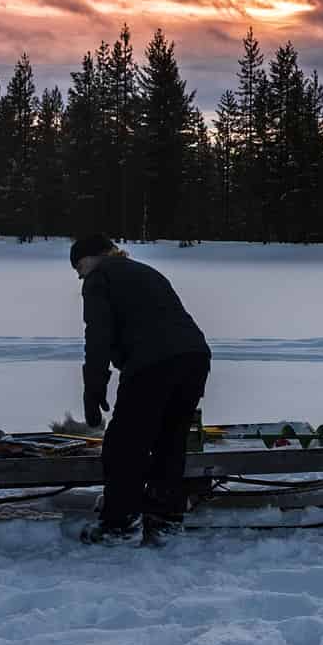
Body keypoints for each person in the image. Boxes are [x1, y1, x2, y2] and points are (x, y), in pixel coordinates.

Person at [72, 234, 212, 546]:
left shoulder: (99, 279)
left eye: (78, 266)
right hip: (195, 358)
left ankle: (120, 524)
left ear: (92, 258)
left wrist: (93, 389)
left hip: (153, 364)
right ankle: (165, 519)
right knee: (170, 440)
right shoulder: (146, 271)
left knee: (124, 444)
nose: (79, 274)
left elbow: (98, 338)